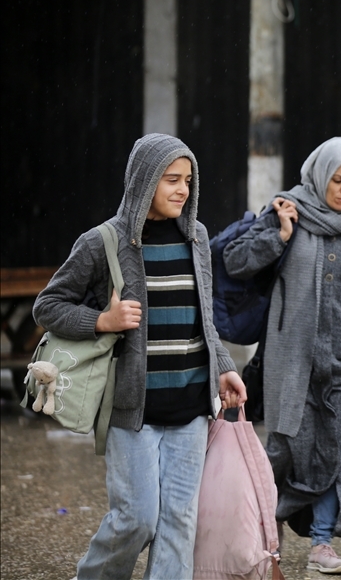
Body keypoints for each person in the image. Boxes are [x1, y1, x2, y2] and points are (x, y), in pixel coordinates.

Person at [33, 133, 246, 580]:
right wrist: (103, 321)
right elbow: (48, 306)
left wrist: (224, 368)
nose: (183, 190)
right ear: (144, 180)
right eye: (171, 179)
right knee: (137, 518)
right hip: (131, 412)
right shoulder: (103, 241)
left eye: (187, 180)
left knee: (178, 524)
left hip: (191, 409)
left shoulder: (197, 237)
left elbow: (203, 317)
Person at [223, 137, 341, 573]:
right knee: (285, 444)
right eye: (338, 180)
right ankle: (266, 523)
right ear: (320, 175)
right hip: (290, 351)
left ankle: (322, 542)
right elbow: (237, 262)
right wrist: (279, 235)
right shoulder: (287, 209)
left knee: (336, 449)